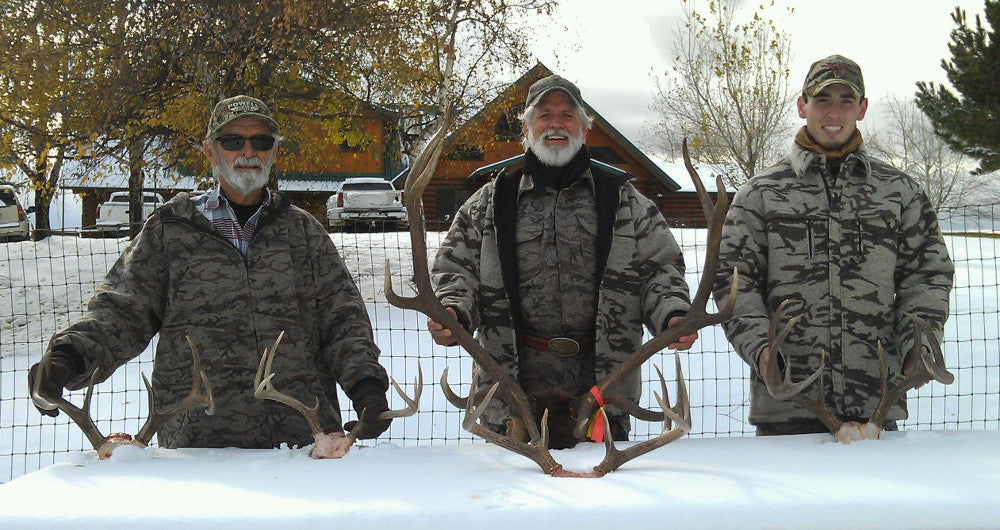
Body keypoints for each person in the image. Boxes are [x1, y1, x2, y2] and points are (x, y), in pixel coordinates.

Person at [29, 95, 393, 448]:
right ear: (210, 151)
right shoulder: (171, 229)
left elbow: (343, 321)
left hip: (302, 445)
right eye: (233, 141)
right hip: (197, 450)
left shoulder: (304, 233)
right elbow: (121, 312)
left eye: (260, 141)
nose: (248, 152)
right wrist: (67, 359)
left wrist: (367, 388)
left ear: (274, 151)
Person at [427, 75, 696, 448]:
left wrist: (671, 313)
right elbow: (456, 271)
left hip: (601, 390)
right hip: (512, 392)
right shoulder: (489, 202)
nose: (556, 124)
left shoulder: (624, 200)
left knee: (597, 498)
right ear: (526, 127)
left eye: (567, 115)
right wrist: (453, 311)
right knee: (515, 500)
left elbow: (659, 270)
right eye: (544, 115)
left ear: (586, 127)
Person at [713, 55, 954, 436]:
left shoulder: (900, 192)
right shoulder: (760, 194)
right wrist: (761, 350)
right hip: (788, 405)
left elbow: (926, 277)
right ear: (801, 105)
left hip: (876, 405)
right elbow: (734, 282)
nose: (833, 112)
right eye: (822, 99)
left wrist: (917, 346)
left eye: (845, 101)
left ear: (862, 109)